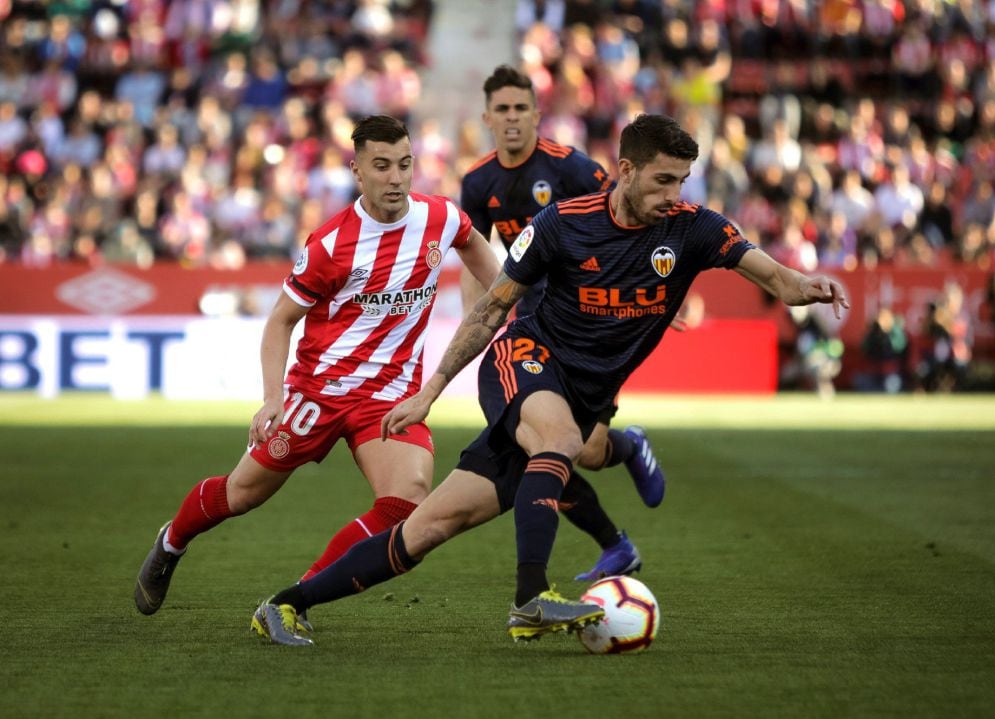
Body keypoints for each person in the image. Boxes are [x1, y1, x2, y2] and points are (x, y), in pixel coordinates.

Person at [250, 114, 849, 647]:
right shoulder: (562, 222)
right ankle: (529, 600)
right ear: (625, 170)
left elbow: (776, 277)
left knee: (431, 525)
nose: (674, 194)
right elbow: (490, 309)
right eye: (662, 180)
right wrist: (430, 391)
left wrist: (808, 285)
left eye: (682, 181)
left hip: (584, 397)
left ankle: (286, 603)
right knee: (560, 442)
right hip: (523, 359)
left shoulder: (693, 230)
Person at [134, 115, 501, 625]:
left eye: (404, 164)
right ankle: (171, 543)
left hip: (390, 397)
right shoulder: (330, 245)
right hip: (319, 392)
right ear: (356, 171)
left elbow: (490, 268)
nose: (395, 178)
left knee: (405, 502)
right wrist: (272, 397)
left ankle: (294, 601)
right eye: (381, 166)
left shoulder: (440, 219)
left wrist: (514, 308)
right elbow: (280, 322)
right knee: (240, 495)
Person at [459, 64, 664, 583]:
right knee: (546, 448)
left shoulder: (572, 169)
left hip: (593, 325)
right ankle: (615, 546)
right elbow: (473, 254)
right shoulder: (477, 182)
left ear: (537, 113)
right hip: (532, 328)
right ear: (487, 117)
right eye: (502, 109)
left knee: (587, 451)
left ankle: (628, 449)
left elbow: (631, 221)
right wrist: (475, 324)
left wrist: (657, 288)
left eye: (520, 108)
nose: (511, 118)